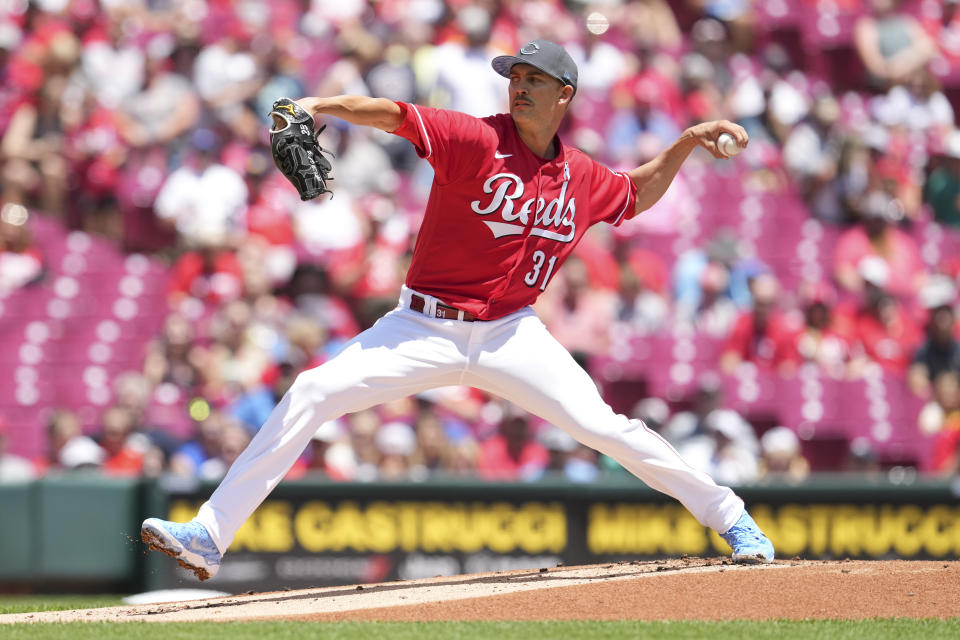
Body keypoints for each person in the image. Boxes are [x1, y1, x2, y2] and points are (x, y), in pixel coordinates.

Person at [141, 39, 774, 580]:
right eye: (514, 78)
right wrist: (316, 106)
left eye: (534, 80)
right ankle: (209, 534)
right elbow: (394, 114)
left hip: (512, 335)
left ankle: (731, 518)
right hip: (421, 325)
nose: (518, 87)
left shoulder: (580, 175)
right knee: (310, 392)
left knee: (606, 428)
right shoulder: (476, 138)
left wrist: (688, 139)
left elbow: (634, 194)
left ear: (566, 96)